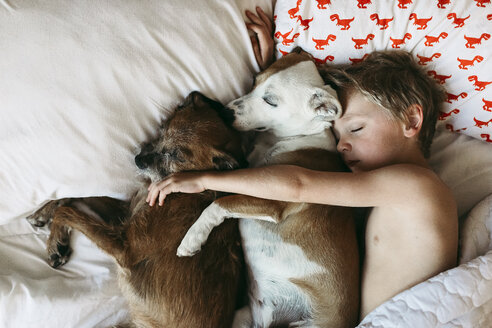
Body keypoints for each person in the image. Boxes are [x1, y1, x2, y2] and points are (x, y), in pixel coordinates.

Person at [146, 7, 459, 320]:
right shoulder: (385, 192)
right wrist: (274, 70)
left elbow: (299, 185)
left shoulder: (418, 186)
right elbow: (298, 118)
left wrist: (204, 180)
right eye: (337, 134)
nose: (341, 144)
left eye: (357, 128)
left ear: (411, 119)